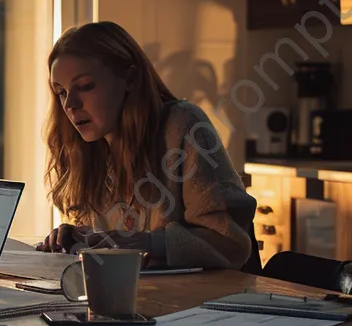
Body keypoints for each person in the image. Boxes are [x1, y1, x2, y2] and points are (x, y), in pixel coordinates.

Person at [37, 21, 256, 268]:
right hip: (132, 297)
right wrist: (82, 237)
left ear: (130, 78)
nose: (70, 105)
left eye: (86, 86)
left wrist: (148, 244)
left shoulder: (182, 125)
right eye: (62, 92)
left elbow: (231, 243)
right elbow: (115, 242)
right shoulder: (88, 149)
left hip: (196, 301)